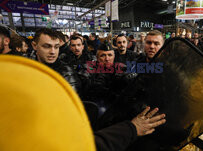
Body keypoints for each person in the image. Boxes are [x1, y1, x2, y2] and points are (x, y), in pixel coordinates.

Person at [0, 55, 166, 151]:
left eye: (110, 55)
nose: (107, 59)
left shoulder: (129, 66)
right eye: (103, 55)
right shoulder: (87, 68)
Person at [31, 28, 82, 94]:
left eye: (56, 47)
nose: (53, 52)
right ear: (34, 45)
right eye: (47, 46)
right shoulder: (25, 68)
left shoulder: (66, 72)